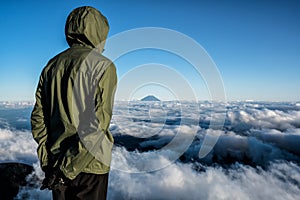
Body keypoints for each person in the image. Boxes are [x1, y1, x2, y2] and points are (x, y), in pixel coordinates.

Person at [31, 6, 117, 200]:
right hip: (91, 167)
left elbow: (39, 117)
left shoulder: (51, 65)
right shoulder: (104, 66)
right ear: (99, 31)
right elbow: (97, 125)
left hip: (55, 164)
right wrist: (67, 169)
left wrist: (49, 162)